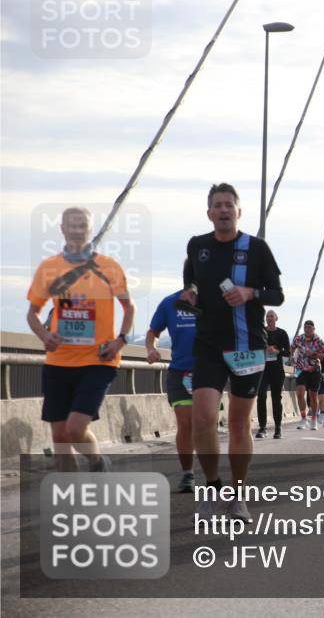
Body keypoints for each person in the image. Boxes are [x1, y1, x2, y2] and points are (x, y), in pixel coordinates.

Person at [181, 183, 284, 521]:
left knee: (240, 424)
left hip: (247, 345)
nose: (224, 210)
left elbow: (277, 295)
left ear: (239, 211)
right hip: (209, 345)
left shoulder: (256, 248)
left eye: (229, 205)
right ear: (209, 213)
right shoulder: (198, 245)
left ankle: (238, 497)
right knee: (203, 419)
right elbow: (190, 275)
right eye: (217, 205)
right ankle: (211, 491)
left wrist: (250, 292)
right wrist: (191, 291)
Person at [26, 207, 135, 472]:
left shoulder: (109, 266)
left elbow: (128, 308)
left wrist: (120, 341)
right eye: (71, 226)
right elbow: (32, 313)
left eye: (82, 226)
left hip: (99, 361)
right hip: (58, 361)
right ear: (62, 229)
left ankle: (97, 461)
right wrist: (45, 335)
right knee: (60, 437)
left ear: (90, 229)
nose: (77, 231)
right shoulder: (49, 268)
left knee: (75, 430)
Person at [146, 280, 198, 491]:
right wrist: (150, 348)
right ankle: (188, 474)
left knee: (202, 424)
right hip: (180, 371)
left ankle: (210, 472)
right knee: (185, 422)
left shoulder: (213, 300)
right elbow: (153, 333)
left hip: (208, 372)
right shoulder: (169, 303)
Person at [257, 309, 290, 439]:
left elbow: (288, 352)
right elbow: (253, 347)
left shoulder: (282, 333)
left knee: (276, 399)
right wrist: (263, 349)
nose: (269, 318)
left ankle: (277, 428)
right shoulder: (261, 332)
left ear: (276, 319)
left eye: (271, 316)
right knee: (261, 397)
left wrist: (277, 351)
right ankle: (262, 428)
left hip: (277, 370)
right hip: (262, 369)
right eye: (267, 316)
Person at [291, 320, 324, 431]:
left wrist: (314, 354)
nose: (307, 329)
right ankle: (303, 418)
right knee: (300, 393)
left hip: (314, 370)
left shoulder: (319, 340)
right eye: (305, 327)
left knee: (313, 396)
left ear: (313, 329)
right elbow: (292, 347)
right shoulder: (298, 339)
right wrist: (293, 357)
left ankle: (314, 419)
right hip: (301, 369)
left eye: (309, 327)